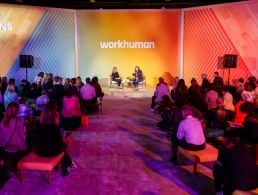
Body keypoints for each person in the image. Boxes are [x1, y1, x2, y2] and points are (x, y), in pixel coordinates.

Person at [213, 129, 257, 195]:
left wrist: (218, 187)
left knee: (217, 167)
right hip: (253, 183)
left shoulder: (224, 149)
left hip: (237, 186)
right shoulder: (249, 148)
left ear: (226, 138)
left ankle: (219, 190)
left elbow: (218, 170)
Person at [36, 101, 72, 176]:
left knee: (60, 146)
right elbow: (59, 143)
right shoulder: (55, 128)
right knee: (64, 147)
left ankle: (66, 164)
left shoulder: (39, 127)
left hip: (40, 151)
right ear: (56, 117)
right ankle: (67, 165)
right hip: (52, 152)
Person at [0, 102, 28, 186]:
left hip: (5, 148)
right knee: (28, 146)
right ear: (17, 111)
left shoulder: (3, 120)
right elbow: (22, 137)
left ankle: (9, 165)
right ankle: (17, 166)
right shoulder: (19, 121)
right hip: (16, 150)